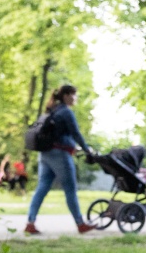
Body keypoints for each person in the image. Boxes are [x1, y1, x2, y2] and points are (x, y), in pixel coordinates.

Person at [23, 85, 98, 235]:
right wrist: (86, 149)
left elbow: (59, 135)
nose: (76, 98)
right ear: (66, 96)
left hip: (45, 154)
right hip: (60, 155)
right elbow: (76, 133)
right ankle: (80, 224)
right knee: (70, 189)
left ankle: (30, 223)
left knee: (42, 188)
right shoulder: (66, 112)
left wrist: (74, 147)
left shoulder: (53, 110)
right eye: (74, 95)